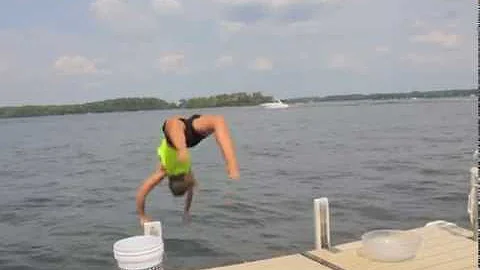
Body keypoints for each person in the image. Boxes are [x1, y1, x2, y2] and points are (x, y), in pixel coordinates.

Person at [136, 114, 240, 226]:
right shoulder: (184, 174)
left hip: (179, 140)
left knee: (212, 121)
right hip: (184, 136)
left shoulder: (163, 171)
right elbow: (190, 193)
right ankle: (231, 164)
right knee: (214, 121)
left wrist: (142, 216)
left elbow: (142, 191)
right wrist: (186, 211)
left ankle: (231, 165)